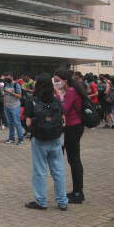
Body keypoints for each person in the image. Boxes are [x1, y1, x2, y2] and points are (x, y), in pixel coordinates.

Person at [24, 73, 68, 211]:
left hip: (39, 140)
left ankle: (41, 201)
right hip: (55, 139)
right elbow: (63, 119)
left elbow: (28, 122)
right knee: (58, 171)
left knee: (39, 171)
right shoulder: (56, 101)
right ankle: (62, 201)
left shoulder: (32, 100)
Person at [53, 69, 86, 204]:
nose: (56, 83)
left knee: (74, 159)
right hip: (73, 126)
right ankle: (77, 191)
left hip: (74, 126)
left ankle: (78, 192)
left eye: (57, 80)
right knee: (73, 159)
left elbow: (64, 109)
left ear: (64, 80)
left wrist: (57, 94)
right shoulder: (71, 90)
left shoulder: (71, 91)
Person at [2, 71, 24, 145]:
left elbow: (20, 96)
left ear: (11, 77)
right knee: (10, 123)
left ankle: (21, 139)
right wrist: (4, 104)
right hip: (7, 106)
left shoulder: (16, 85)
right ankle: (11, 138)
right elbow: (4, 94)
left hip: (15, 106)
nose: (7, 79)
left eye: (8, 77)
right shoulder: (5, 84)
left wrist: (11, 92)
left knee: (17, 123)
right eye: (6, 78)